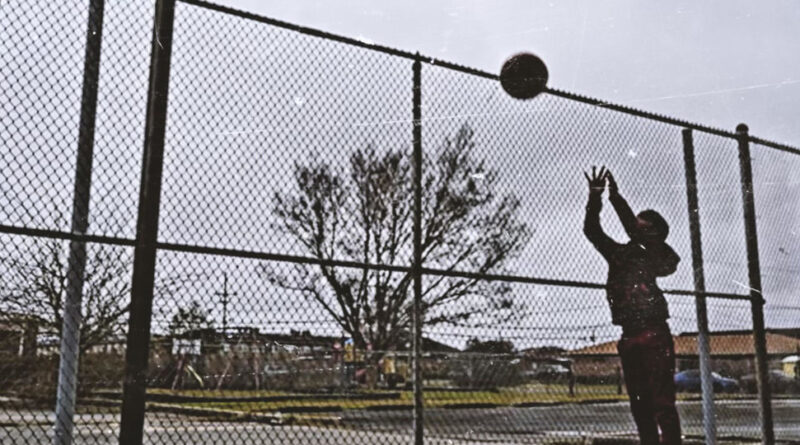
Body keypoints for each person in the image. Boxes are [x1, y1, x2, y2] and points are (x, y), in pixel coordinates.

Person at [583, 166, 682, 445]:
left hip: (653, 332)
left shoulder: (659, 254)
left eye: (642, 226)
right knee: (640, 403)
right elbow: (592, 230)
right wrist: (595, 198)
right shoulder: (621, 254)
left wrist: (616, 198)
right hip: (629, 334)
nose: (634, 228)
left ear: (654, 233)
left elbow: (636, 233)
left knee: (662, 401)